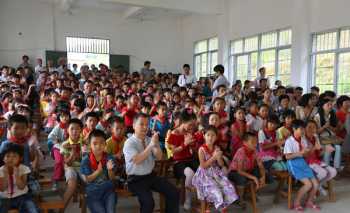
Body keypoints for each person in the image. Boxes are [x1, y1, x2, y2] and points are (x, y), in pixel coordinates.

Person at [123, 113, 179, 213]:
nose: (145, 127)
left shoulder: (150, 139)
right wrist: (151, 145)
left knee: (173, 192)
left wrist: (156, 145)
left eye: (147, 124)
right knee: (149, 202)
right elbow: (137, 160)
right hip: (135, 179)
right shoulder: (129, 142)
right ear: (134, 125)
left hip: (151, 176)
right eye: (141, 124)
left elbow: (159, 156)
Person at [192, 126, 238, 212]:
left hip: (215, 173)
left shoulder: (216, 148)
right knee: (216, 190)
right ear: (204, 136)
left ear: (216, 137)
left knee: (228, 187)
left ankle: (223, 208)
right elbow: (203, 166)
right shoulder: (201, 149)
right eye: (208, 135)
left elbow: (221, 164)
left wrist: (219, 157)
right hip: (204, 175)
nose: (210, 137)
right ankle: (214, 207)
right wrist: (214, 157)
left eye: (213, 135)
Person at [284, 120, 320, 211]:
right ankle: (296, 202)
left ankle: (309, 202)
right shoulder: (289, 141)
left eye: (304, 128)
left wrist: (313, 149)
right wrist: (300, 153)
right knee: (308, 184)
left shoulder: (303, 139)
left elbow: (305, 154)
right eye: (301, 129)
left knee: (315, 184)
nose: (303, 131)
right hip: (293, 164)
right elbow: (287, 157)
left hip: (302, 162)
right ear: (294, 129)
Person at [80, 129, 117, 213]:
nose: (98, 146)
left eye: (101, 143)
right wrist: (98, 171)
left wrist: (110, 170)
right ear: (90, 145)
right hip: (93, 192)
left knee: (110, 211)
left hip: (108, 191)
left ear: (105, 144)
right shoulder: (86, 160)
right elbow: (87, 179)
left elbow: (112, 178)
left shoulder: (109, 158)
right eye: (95, 143)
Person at [228, 132, 266, 209]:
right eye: (252, 142)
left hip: (247, 170)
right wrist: (253, 177)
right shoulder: (241, 151)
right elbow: (239, 171)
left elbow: (260, 165)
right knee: (241, 178)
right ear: (245, 143)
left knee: (260, 172)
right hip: (235, 172)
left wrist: (263, 176)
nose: (255, 144)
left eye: (256, 142)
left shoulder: (255, 151)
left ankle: (251, 193)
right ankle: (240, 199)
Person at [0, 143, 38, 213]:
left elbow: (21, 187)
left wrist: (17, 176)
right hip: (4, 198)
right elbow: (2, 188)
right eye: (8, 156)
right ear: (3, 158)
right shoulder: (1, 170)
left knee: (31, 208)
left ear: (20, 158)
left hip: (22, 196)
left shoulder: (24, 169)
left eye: (14, 156)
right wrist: (5, 175)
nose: (11, 159)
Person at [304, 120, 337, 196]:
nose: (312, 129)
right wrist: (315, 148)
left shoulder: (315, 137)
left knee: (333, 171)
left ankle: (317, 185)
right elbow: (305, 155)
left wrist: (326, 150)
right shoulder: (303, 139)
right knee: (323, 172)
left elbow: (319, 154)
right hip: (306, 162)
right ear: (304, 128)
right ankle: (316, 186)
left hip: (316, 161)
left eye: (314, 127)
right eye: (309, 127)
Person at [60, 118, 86, 209]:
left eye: (77, 129)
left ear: (81, 130)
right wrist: (73, 152)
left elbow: (87, 160)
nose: (74, 131)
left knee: (88, 184)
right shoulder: (65, 144)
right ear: (67, 130)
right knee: (72, 185)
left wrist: (82, 153)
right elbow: (68, 163)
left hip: (83, 168)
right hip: (70, 168)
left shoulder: (85, 142)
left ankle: (83, 208)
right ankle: (61, 209)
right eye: (72, 129)